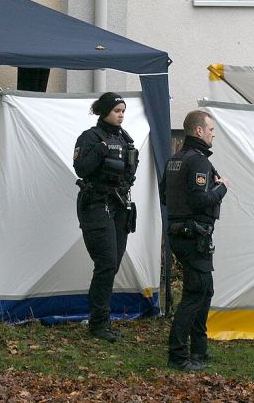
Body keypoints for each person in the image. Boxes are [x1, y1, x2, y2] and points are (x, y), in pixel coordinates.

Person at [163, 110, 229, 371]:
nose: (213, 133)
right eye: (210, 129)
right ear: (199, 131)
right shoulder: (199, 162)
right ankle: (178, 354)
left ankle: (199, 349)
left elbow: (165, 195)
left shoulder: (175, 160)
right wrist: (222, 186)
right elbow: (201, 199)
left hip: (180, 233)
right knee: (195, 293)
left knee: (205, 289)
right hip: (194, 236)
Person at [73, 92, 139, 342]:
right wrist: (102, 150)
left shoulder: (125, 138)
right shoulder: (90, 137)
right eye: (116, 110)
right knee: (107, 262)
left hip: (119, 204)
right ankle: (99, 323)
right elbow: (81, 168)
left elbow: (129, 171)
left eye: (123, 111)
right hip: (96, 204)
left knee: (113, 263)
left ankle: (102, 320)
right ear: (104, 112)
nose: (121, 115)